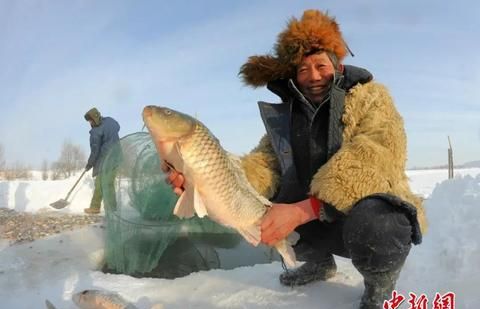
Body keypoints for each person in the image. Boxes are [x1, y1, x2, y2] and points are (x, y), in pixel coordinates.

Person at [165, 10, 427, 309]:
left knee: (380, 219)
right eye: (303, 70)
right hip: (316, 217)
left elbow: (375, 155)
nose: (313, 76)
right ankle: (319, 263)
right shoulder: (287, 115)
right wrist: (205, 176)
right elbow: (262, 165)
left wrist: (305, 209)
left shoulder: (371, 98)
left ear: (337, 65)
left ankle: (379, 286)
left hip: (361, 215)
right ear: (294, 75)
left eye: (320, 65)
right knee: (269, 199)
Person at [84, 107, 121, 214]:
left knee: (102, 183)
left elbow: (95, 151)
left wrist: (89, 164)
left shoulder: (95, 132)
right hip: (117, 157)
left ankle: (103, 208)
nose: (89, 123)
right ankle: (110, 208)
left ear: (94, 118)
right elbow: (118, 127)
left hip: (105, 161)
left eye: (90, 120)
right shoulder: (110, 121)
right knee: (107, 183)